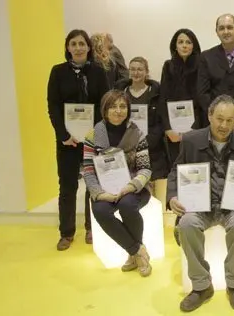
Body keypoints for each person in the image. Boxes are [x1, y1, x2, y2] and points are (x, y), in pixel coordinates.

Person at [167, 95, 234, 312]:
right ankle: (202, 286)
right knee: (186, 224)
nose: (224, 125)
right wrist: (173, 196)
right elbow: (176, 170)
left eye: (230, 120)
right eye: (219, 118)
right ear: (210, 116)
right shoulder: (191, 139)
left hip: (233, 206)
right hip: (201, 205)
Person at [47, 29, 109, 250]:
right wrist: (63, 135)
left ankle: (92, 228)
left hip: (93, 139)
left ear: (89, 48)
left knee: (92, 184)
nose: (78, 48)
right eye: (73, 44)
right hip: (67, 140)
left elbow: (105, 105)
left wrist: (99, 135)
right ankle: (66, 232)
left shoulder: (99, 73)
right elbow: (52, 106)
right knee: (67, 185)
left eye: (82, 43)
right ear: (67, 48)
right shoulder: (57, 72)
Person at [81, 90, 152, 277]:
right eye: (113, 106)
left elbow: (145, 169)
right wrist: (99, 193)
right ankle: (138, 251)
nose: (118, 111)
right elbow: (88, 171)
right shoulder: (92, 136)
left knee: (127, 204)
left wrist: (131, 186)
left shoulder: (138, 134)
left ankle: (133, 254)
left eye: (122, 106)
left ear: (128, 110)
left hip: (134, 188)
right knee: (100, 210)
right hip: (104, 189)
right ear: (105, 110)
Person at [114, 57, 170, 212]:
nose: (136, 72)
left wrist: (147, 142)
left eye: (140, 69)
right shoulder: (121, 92)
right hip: (128, 150)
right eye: (132, 69)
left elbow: (161, 120)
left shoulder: (156, 93)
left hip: (154, 150)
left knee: (156, 198)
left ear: (146, 72)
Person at [159, 28, 201, 165]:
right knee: (177, 168)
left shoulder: (202, 66)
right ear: (175, 46)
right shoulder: (168, 66)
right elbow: (163, 99)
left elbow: (203, 100)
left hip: (196, 129)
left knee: (196, 169)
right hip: (174, 131)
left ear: (194, 46)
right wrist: (168, 129)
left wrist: (196, 128)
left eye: (188, 42)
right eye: (180, 42)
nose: (184, 45)